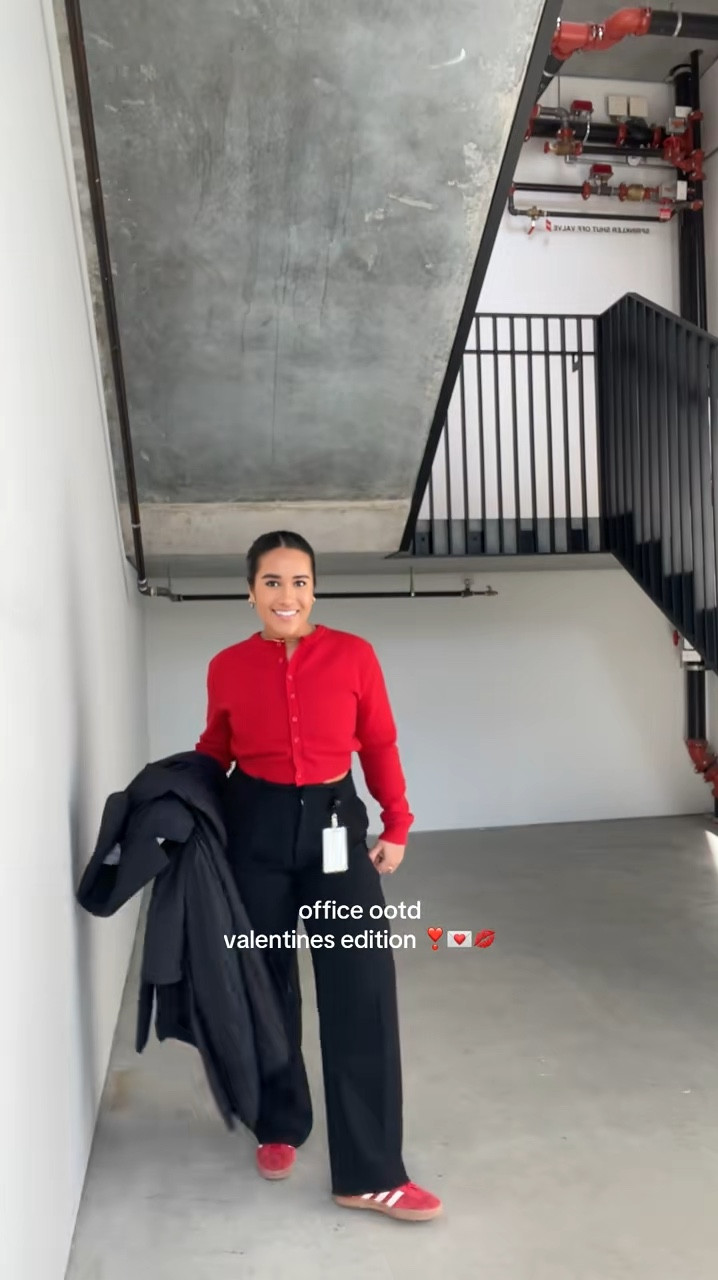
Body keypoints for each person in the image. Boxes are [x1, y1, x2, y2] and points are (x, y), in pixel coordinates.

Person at [194, 530, 442, 1223]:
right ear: (250, 592)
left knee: (360, 989)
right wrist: (182, 808)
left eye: (299, 581)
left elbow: (381, 741)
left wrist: (396, 822)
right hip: (257, 829)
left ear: (314, 588)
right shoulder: (227, 666)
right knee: (264, 982)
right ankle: (278, 1122)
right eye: (272, 581)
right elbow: (215, 749)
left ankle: (369, 1173)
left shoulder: (354, 655)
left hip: (337, 823)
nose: (286, 595)